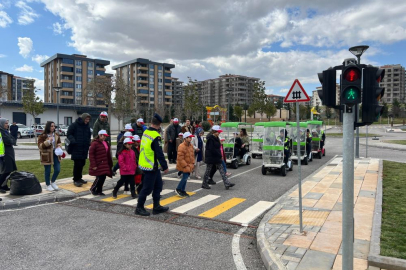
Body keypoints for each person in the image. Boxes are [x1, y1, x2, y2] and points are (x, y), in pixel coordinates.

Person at [135, 113, 169, 216]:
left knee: (158, 186)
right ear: (159, 125)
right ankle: (139, 207)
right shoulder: (156, 136)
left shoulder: (146, 132)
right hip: (151, 166)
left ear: (151, 123)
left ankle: (156, 206)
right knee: (147, 188)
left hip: (146, 164)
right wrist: (165, 166)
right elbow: (159, 153)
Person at [201, 125, 234, 190]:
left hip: (216, 157)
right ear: (214, 132)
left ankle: (226, 183)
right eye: (218, 132)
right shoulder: (210, 139)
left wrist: (220, 155)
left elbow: (218, 148)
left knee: (222, 170)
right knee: (208, 171)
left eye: (219, 132)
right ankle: (204, 183)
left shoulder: (217, 138)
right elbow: (212, 149)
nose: (219, 133)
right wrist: (219, 155)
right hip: (211, 157)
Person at [67, 113, 92, 187]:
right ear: (83, 118)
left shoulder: (87, 127)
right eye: (86, 119)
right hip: (76, 148)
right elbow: (69, 134)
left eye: (88, 119)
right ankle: (76, 179)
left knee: (82, 163)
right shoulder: (74, 125)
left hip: (84, 148)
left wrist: (89, 142)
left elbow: (88, 136)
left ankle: (79, 178)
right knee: (77, 164)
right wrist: (73, 141)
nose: (87, 121)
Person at [38, 121, 62, 191]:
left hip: (56, 154)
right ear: (48, 127)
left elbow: (60, 142)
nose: (53, 127)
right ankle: (48, 184)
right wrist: (48, 142)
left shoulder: (56, 135)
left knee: (57, 169)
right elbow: (40, 146)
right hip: (47, 155)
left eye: (54, 126)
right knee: (47, 170)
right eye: (51, 126)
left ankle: (53, 181)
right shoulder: (42, 136)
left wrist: (59, 145)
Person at [89, 130, 113, 195]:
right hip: (98, 163)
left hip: (105, 162)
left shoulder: (105, 142)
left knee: (103, 177)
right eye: (104, 136)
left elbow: (108, 153)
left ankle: (99, 190)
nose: (105, 137)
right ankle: (93, 188)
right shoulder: (94, 143)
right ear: (100, 135)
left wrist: (110, 162)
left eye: (106, 136)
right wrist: (93, 165)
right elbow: (91, 154)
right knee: (99, 177)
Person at [175, 132, 195, 197]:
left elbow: (192, 155)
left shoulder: (191, 145)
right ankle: (178, 189)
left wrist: (192, 163)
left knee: (185, 178)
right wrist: (185, 165)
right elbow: (180, 158)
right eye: (189, 137)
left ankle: (182, 190)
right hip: (184, 165)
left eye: (191, 137)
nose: (191, 139)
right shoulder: (181, 146)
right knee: (185, 178)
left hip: (189, 165)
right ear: (185, 138)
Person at [0, 119, 17, 193]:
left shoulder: (6, 131)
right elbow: (9, 141)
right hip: (5, 154)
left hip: (9, 153)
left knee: (9, 170)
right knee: (6, 171)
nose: (7, 124)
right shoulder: (1, 132)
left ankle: (4, 185)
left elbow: (13, 140)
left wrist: (12, 141)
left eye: (7, 123)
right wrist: (11, 141)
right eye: (6, 123)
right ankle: (0, 185)